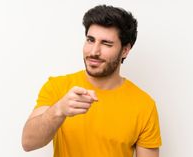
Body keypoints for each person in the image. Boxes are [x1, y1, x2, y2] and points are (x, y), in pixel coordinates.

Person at [22, 4, 162, 157]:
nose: (94, 52)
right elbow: (28, 143)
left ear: (125, 50)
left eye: (106, 43)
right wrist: (59, 110)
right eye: (90, 40)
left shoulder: (144, 105)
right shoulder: (58, 87)